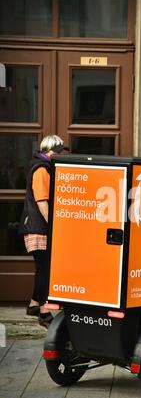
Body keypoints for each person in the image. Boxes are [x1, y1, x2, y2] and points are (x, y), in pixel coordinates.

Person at [19, 135, 64, 330]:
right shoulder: (41, 170)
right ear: (50, 151)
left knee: (42, 269)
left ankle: (33, 306)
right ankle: (45, 314)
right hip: (39, 228)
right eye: (58, 152)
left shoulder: (40, 166)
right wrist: (54, 225)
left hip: (36, 227)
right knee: (45, 271)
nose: (60, 155)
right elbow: (42, 201)